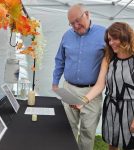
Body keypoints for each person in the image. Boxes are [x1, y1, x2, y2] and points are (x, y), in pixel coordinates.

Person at [52, 3, 106, 150]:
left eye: (77, 20)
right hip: (68, 89)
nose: (75, 26)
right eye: (71, 23)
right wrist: (55, 83)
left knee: (87, 132)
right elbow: (59, 60)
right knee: (68, 129)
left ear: (87, 14)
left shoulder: (105, 34)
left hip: (92, 92)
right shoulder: (66, 36)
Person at [75, 22, 134, 150]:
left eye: (114, 38)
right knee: (112, 143)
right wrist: (83, 101)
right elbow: (100, 85)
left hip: (130, 109)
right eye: (109, 40)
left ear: (125, 36)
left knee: (129, 144)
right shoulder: (108, 58)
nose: (111, 43)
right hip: (111, 107)